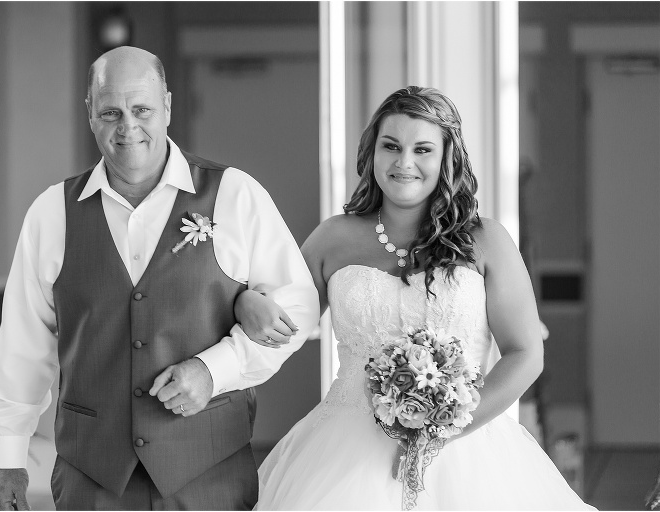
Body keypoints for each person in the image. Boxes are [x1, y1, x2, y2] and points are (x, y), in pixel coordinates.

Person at [0, 46, 319, 510]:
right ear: (89, 113)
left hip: (209, 474)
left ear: (167, 104)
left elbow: (297, 309)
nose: (127, 127)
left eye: (141, 108)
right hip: (91, 478)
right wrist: (9, 459)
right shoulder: (50, 214)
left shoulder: (234, 194)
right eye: (110, 112)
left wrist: (214, 370)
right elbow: (25, 345)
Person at [235, 86, 596, 510]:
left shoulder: (487, 240)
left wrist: (442, 431)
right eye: (391, 146)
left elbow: (525, 353)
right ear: (373, 153)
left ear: (447, 158)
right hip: (342, 451)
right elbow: (284, 318)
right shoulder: (333, 237)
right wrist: (245, 301)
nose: (404, 162)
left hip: (468, 452)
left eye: (422, 149)